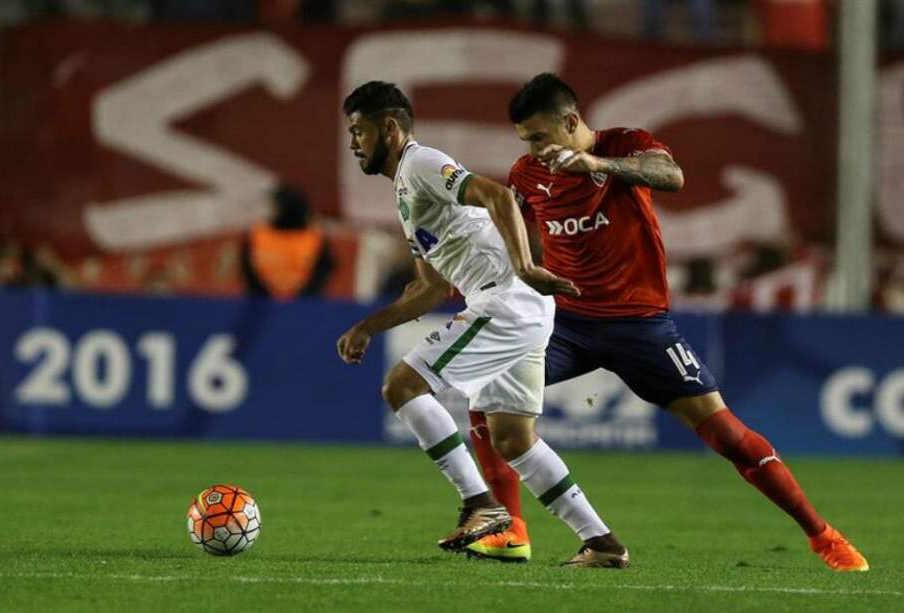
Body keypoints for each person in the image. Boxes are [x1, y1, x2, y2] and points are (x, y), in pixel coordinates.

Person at [465, 73, 869, 573]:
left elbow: (671, 176)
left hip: (640, 326)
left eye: (540, 137)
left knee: (726, 436)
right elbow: (509, 226)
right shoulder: (527, 174)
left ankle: (824, 537)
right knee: (485, 394)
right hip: (564, 325)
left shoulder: (625, 145)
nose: (534, 150)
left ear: (571, 122)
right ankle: (513, 531)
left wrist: (597, 164)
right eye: (526, 140)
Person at [336, 80, 629, 567]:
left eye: (359, 131)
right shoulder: (407, 194)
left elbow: (499, 196)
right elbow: (429, 289)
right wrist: (369, 326)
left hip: (507, 302)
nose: (353, 144)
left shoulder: (421, 163)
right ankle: (602, 543)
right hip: (518, 308)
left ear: (389, 127)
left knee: (402, 387)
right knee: (512, 438)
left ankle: (482, 507)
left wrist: (524, 265)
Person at [241, 184, 333, 300]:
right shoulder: (257, 235)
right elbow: (248, 271)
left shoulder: (315, 238)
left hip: (304, 307)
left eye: (274, 205)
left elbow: (321, 274)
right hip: (263, 307)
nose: (270, 210)